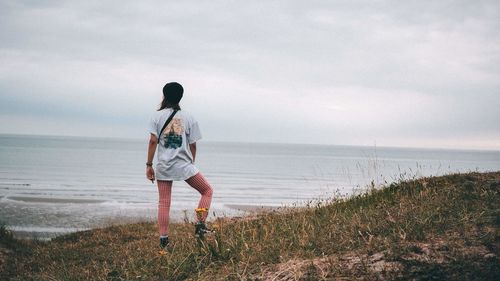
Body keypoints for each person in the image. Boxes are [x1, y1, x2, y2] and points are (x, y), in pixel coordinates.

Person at [146, 82, 213, 253]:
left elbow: (153, 141)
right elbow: (193, 145)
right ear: (181, 97)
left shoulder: (156, 116)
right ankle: (200, 225)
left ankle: (164, 242)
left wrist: (149, 165)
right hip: (184, 165)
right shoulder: (189, 117)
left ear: (164, 96)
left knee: (164, 203)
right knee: (207, 191)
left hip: (164, 166)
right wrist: (192, 163)